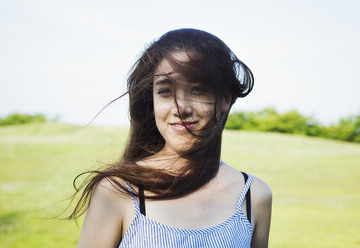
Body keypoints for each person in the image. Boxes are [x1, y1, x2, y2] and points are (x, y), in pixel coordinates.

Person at [70, 28, 272, 248]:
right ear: (153, 101)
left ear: (225, 99)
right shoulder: (118, 190)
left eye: (198, 90)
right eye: (165, 91)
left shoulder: (253, 196)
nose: (180, 107)